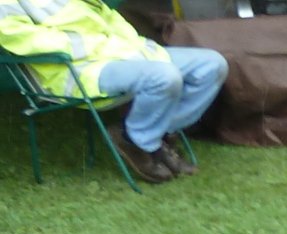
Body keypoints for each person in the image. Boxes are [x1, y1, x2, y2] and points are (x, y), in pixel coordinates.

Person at [0, 0, 225, 184]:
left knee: (212, 65)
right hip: (77, 72)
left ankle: (155, 134)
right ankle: (136, 140)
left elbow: (112, 21)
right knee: (164, 76)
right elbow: (27, 42)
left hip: (120, 56)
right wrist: (103, 47)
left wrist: (133, 49)